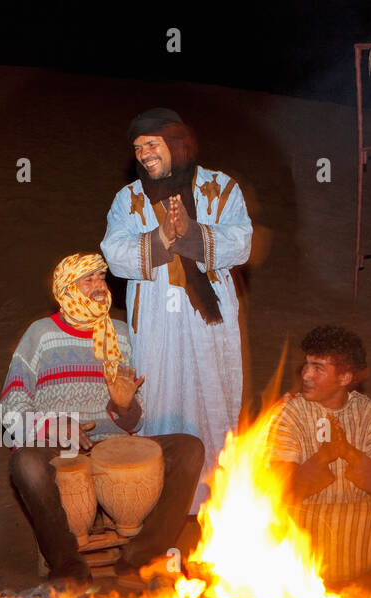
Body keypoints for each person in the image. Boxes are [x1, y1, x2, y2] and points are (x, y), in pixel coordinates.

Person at [1, 252, 204, 586]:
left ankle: (144, 555)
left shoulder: (121, 334)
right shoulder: (40, 334)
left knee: (189, 449)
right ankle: (67, 566)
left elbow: (136, 422)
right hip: (58, 448)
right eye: (88, 279)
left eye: (101, 278)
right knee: (25, 463)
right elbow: (11, 405)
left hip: (115, 446)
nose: (99, 286)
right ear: (67, 287)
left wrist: (124, 406)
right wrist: (55, 426)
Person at [100, 107, 253, 511]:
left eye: (152, 144)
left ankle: (214, 507)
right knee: (160, 401)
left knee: (214, 399)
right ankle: (160, 505)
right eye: (137, 147)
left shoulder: (220, 189)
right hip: (156, 319)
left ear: (177, 143)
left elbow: (241, 242)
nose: (144, 153)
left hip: (210, 324)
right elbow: (114, 255)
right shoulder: (128, 199)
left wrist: (192, 234)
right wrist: (161, 236)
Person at [264, 325, 371, 591]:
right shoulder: (288, 412)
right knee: (276, 520)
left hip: (355, 521)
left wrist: (348, 452)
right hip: (305, 521)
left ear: (345, 377)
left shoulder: (370, 414)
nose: (306, 374)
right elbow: (284, 489)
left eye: (318, 368)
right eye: (306, 365)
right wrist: (324, 456)